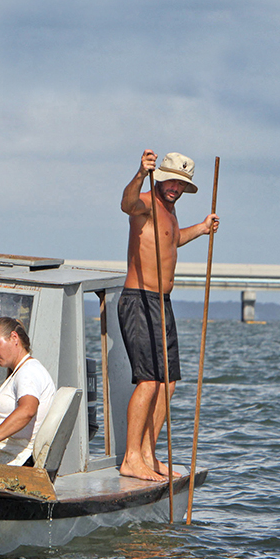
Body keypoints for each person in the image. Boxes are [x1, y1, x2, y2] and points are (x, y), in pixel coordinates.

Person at [118, 150, 219, 482]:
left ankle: (148, 453)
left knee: (168, 383)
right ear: (160, 177)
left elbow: (172, 240)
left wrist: (202, 229)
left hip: (163, 302)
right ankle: (131, 458)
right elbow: (126, 204)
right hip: (138, 301)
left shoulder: (171, 213)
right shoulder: (145, 202)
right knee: (148, 380)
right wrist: (138, 172)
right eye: (171, 180)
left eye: (181, 183)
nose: (175, 186)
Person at [0, 317, 56, 466]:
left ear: (14, 337)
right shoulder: (21, 370)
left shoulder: (28, 372)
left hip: (22, 460)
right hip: (11, 451)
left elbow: (27, 410)